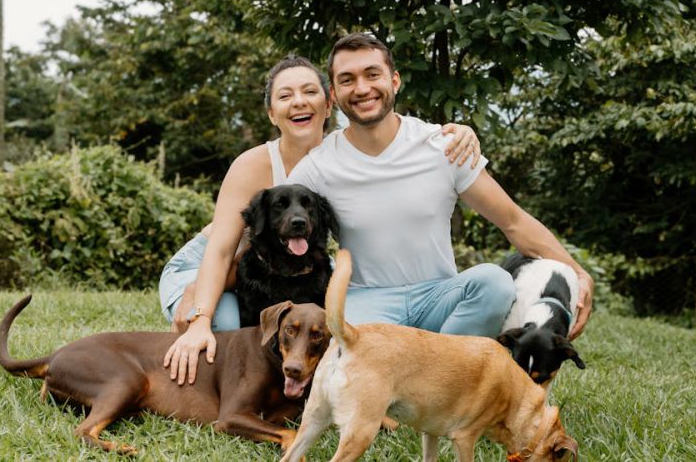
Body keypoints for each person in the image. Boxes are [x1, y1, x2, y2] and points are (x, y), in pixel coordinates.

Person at [160, 55, 482, 384]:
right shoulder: (254, 164)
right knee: (230, 331)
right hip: (213, 260)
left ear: (328, 105)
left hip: (289, 263)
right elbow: (222, 251)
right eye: (285, 96)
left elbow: (399, 146)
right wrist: (201, 312)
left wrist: (460, 132)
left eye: (309, 92)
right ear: (272, 113)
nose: (298, 102)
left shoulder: (343, 156)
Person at [286, 32, 594, 343]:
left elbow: (513, 222)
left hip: (440, 298)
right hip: (368, 302)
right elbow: (274, 223)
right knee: (342, 329)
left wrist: (578, 273)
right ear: (334, 96)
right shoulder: (318, 166)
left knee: (495, 283)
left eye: (372, 74)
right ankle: (425, 377)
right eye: (347, 79)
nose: (362, 88)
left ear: (394, 81)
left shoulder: (444, 147)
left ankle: (438, 371)